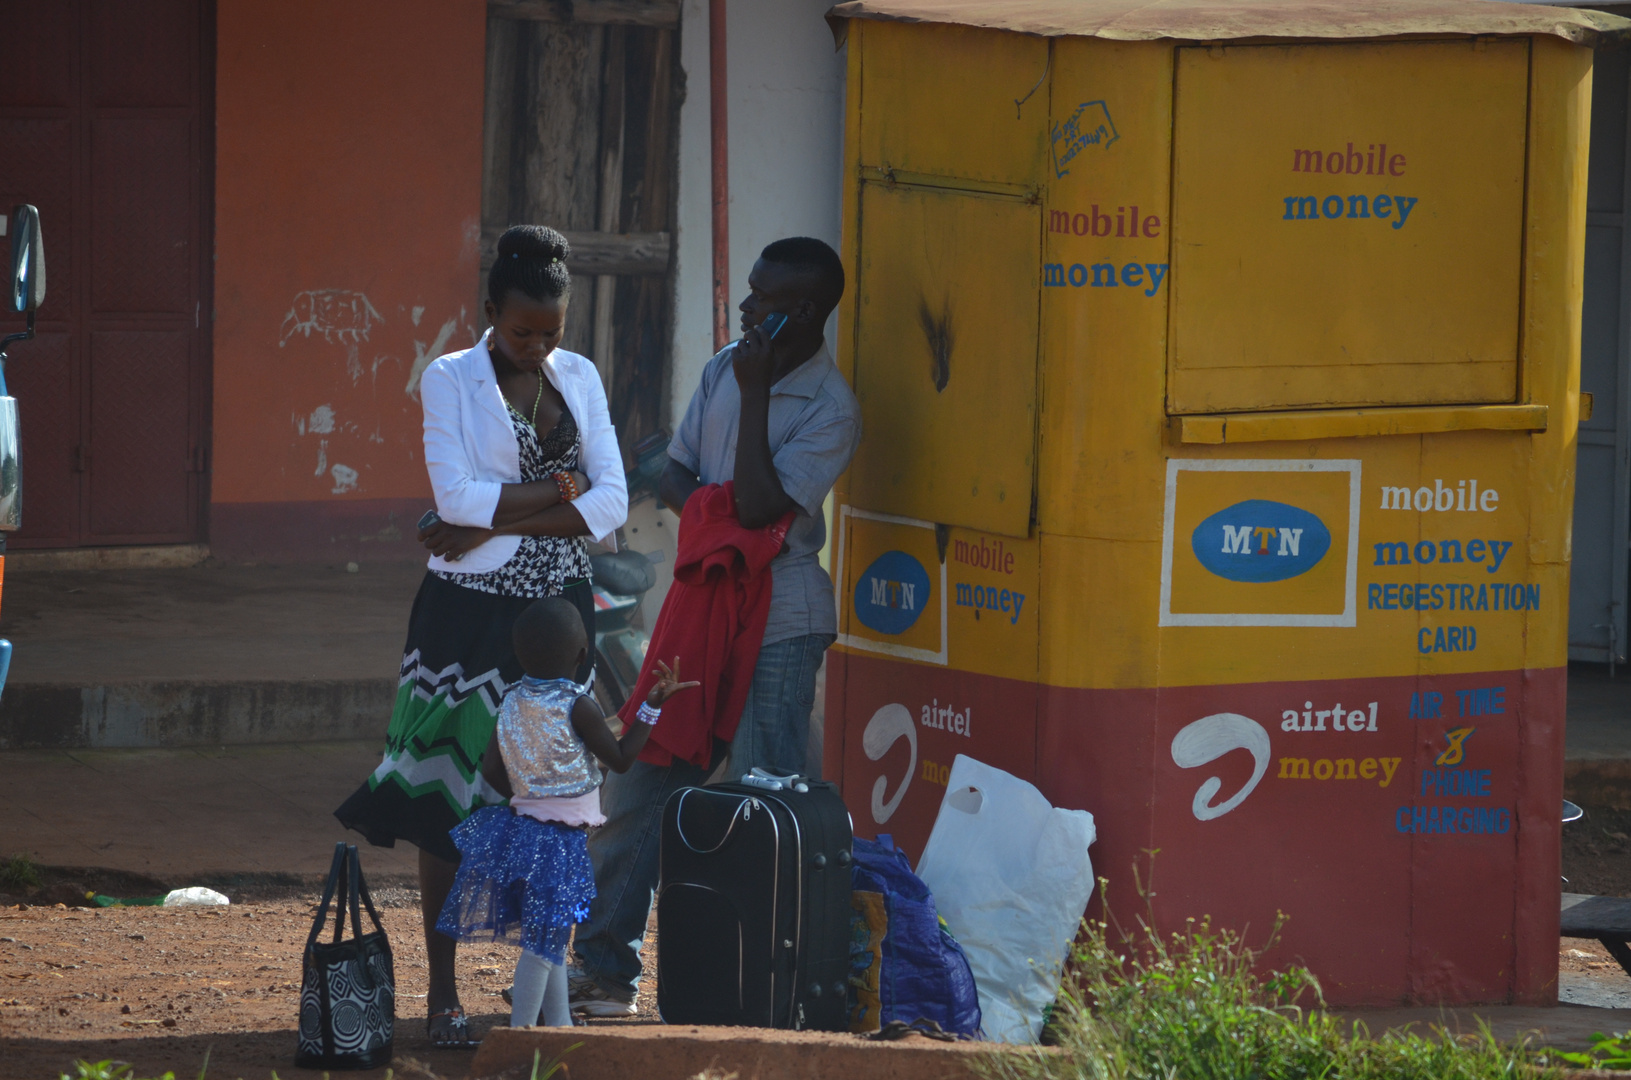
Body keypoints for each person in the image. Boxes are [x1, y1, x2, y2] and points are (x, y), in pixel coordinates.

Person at [334, 225, 628, 1047]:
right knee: (448, 799)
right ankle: (442, 996)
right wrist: (554, 489)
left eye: (552, 334)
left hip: (558, 619)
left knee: (551, 798)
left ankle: (540, 997)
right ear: (490, 311)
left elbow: (611, 503)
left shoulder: (579, 377)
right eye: (522, 331)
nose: (538, 348)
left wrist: (496, 511)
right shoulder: (450, 379)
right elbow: (455, 498)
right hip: (466, 617)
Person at [571, 236, 860, 1015]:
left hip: (782, 614)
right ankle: (604, 970)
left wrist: (757, 398)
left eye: (760, 299)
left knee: (764, 793)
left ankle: (764, 988)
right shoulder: (724, 364)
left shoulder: (831, 407)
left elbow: (766, 508)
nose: (744, 306)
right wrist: (721, 514)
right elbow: (674, 473)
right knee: (642, 779)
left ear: (799, 313)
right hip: (702, 607)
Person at [435, 597, 697, 1031]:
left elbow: (491, 768)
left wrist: (529, 797)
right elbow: (622, 759)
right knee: (543, 946)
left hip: (522, 834)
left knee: (552, 940)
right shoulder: (579, 704)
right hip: (559, 844)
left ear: (520, 655)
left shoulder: (511, 700)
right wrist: (653, 705)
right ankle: (520, 1036)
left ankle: (559, 1028)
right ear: (583, 654)